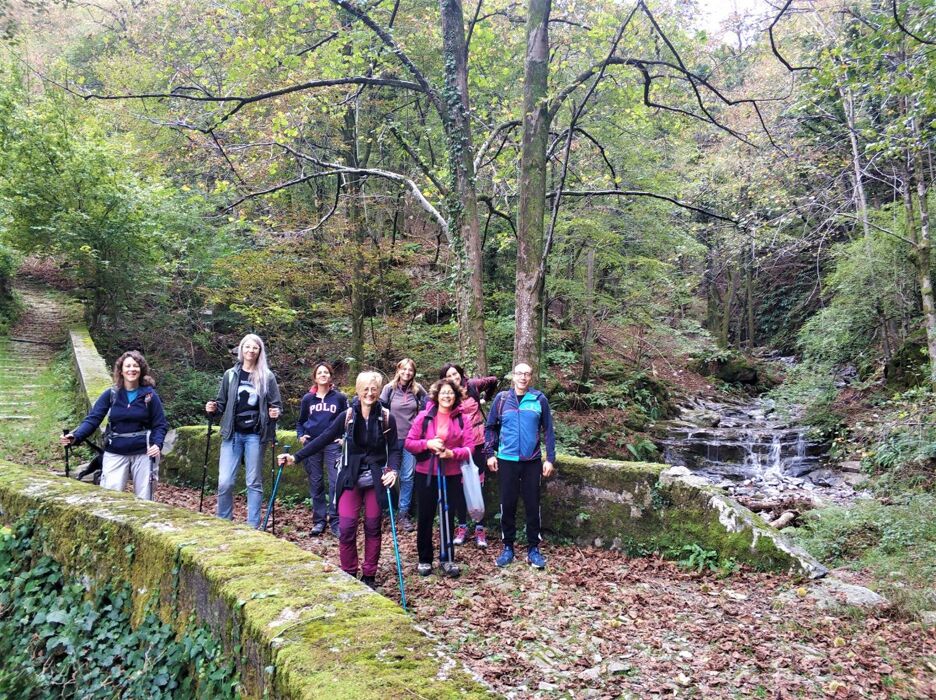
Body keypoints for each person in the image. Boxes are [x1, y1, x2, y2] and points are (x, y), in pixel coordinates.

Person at [279, 371, 400, 588]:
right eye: (365, 389)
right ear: (358, 390)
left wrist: (393, 470)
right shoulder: (347, 416)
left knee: (373, 526)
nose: (369, 393)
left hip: (376, 478)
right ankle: (349, 572)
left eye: (374, 389)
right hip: (350, 476)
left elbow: (394, 449)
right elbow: (323, 438)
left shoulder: (386, 417)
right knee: (347, 526)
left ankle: (369, 575)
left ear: (379, 391)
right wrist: (296, 457)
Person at [61, 350, 169, 500]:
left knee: (145, 498)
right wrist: (76, 436)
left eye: (135, 366)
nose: (132, 369)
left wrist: (157, 444)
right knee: (109, 497)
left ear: (141, 370)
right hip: (115, 450)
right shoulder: (111, 394)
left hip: (144, 452)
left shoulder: (150, 395)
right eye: (128, 366)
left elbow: (160, 424)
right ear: (121, 370)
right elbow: (93, 419)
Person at [205, 334, 282, 529]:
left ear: (259, 351)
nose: (251, 350)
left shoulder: (267, 376)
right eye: (247, 347)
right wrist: (213, 408)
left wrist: (275, 412)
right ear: (241, 349)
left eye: (255, 347)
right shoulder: (230, 375)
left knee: (253, 482)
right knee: (225, 482)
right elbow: (221, 403)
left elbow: (276, 405)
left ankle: (252, 526)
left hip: (255, 434)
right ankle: (224, 523)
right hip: (232, 433)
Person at [484, 362, 556, 569]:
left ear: (531, 377)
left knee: (533, 504)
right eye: (519, 373)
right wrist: (490, 454)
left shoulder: (539, 399)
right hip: (506, 460)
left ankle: (533, 548)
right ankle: (508, 547)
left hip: (532, 461)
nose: (523, 377)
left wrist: (550, 458)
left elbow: (548, 430)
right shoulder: (501, 399)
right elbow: (490, 428)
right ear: (513, 376)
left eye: (527, 374)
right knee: (507, 504)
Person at [405, 379, 474, 577]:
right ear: (436, 395)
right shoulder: (424, 417)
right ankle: (425, 559)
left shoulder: (463, 419)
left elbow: (470, 448)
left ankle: (447, 559)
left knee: (448, 516)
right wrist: (427, 444)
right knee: (425, 516)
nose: (447, 396)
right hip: (426, 473)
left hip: (451, 474)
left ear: (456, 396)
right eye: (443, 392)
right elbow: (409, 443)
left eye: (450, 393)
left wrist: (452, 453)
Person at [438, 364, 498, 549]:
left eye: (455, 373)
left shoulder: (472, 385)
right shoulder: (446, 393)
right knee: (459, 486)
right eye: (449, 375)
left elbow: (493, 380)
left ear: (461, 374)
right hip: (457, 445)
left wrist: (485, 399)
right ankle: (462, 526)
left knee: (478, 484)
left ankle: (480, 528)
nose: (453, 377)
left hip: (478, 442)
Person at [296, 362, 348, 537]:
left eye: (326, 372)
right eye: (320, 373)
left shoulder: (339, 398)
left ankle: (335, 520)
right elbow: (301, 421)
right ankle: (319, 521)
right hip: (312, 444)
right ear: (315, 377)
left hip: (333, 444)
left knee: (335, 482)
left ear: (331, 376)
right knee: (316, 482)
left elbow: (348, 420)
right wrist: (301, 435)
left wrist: (344, 437)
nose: (323, 375)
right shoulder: (308, 399)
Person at [379, 358, 426, 532]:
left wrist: (421, 424)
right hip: (390, 439)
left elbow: (428, 405)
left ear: (414, 372)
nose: (407, 372)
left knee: (407, 476)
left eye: (410, 370)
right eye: (404, 369)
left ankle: (403, 513)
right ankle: (386, 510)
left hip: (410, 440)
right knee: (388, 474)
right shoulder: (389, 389)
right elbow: (380, 408)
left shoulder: (417, 389)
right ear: (398, 370)